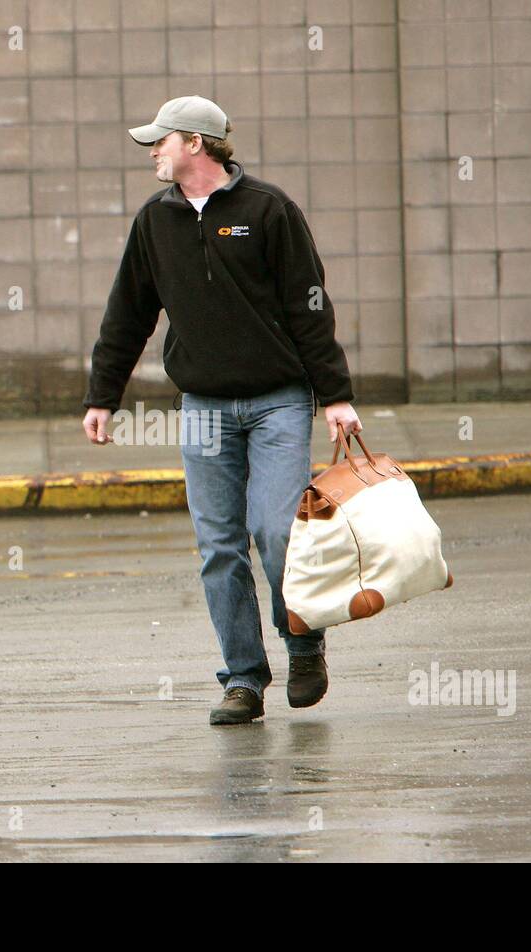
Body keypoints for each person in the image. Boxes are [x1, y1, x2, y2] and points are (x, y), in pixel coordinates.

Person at [81, 96, 360, 725]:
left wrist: (336, 395)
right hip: (203, 405)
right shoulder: (156, 220)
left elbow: (309, 307)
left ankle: (303, 638)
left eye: (162, 141)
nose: (153, 151)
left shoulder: (269, 210)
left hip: (278, 401)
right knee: (219, 546)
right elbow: (127, 313)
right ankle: (243, 679)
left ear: (196, 144)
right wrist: (104, 396)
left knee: (277, 530)